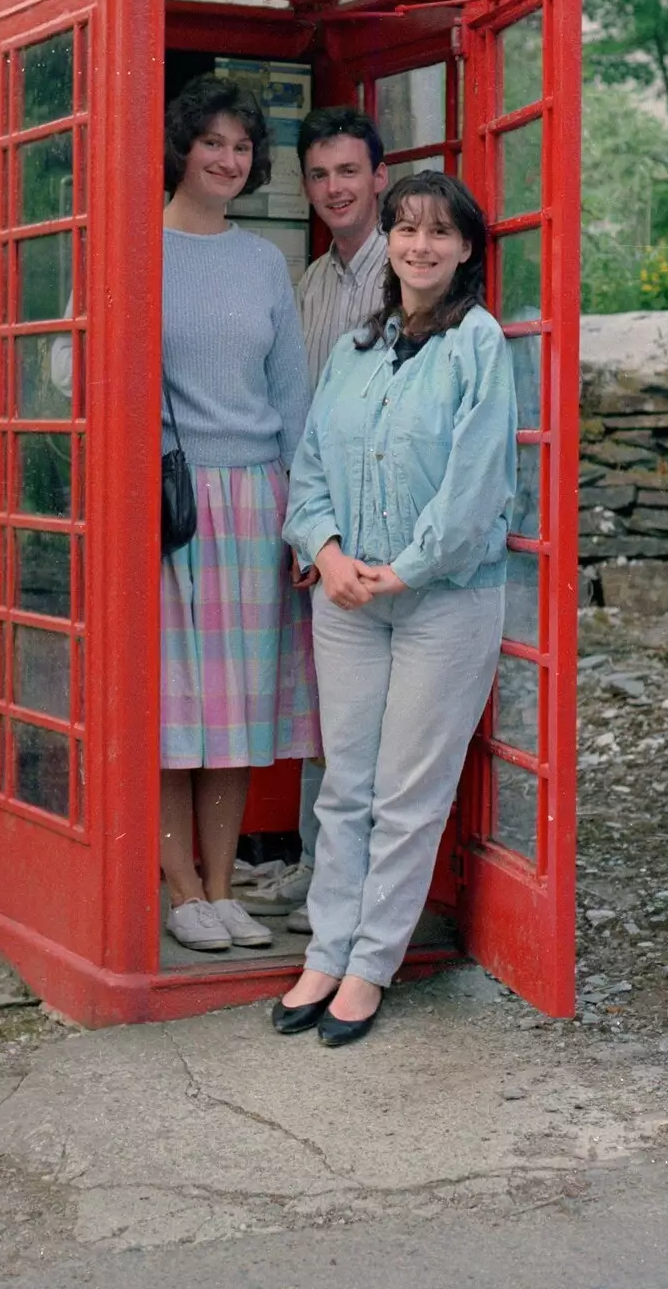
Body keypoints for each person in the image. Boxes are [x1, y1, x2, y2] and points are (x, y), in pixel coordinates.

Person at [277, 170, 517, 1045]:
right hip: (346, 593)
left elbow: (475, 485)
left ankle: (370, 966)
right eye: (406, 229)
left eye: (439, 233)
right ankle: (324, 951)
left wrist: (402, 570)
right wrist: (327, 551)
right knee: (345, 787)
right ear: (391, 241)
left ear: (464, 250)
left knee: (408, 794)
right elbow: (308, 468)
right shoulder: (355, 349)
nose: (420, 246)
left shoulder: (480, 346)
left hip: (441, 601)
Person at [157, 73, 319, 953]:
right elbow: (75, 371)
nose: (227, 159)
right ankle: (179, 885)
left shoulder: (262, 260)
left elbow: (290, 393)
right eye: (212, 142)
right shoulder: (133, 244)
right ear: (182, 147)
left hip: (257, 500)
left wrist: (304, 516)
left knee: (235, 710)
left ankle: (222, 888)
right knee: (170, 706)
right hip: (170, 506)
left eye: (242, 146)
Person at [237, 107, 389, 934]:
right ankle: (315, 868)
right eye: (321, 174)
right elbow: (295, 410)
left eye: (348, 172)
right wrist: (305, 527)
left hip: (374, 526)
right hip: (317, 520)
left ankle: (355, 889)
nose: (335, 188)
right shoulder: (313, 281)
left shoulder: (399, 274)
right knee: (320, 702)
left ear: (379, 178)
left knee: (361, 716)